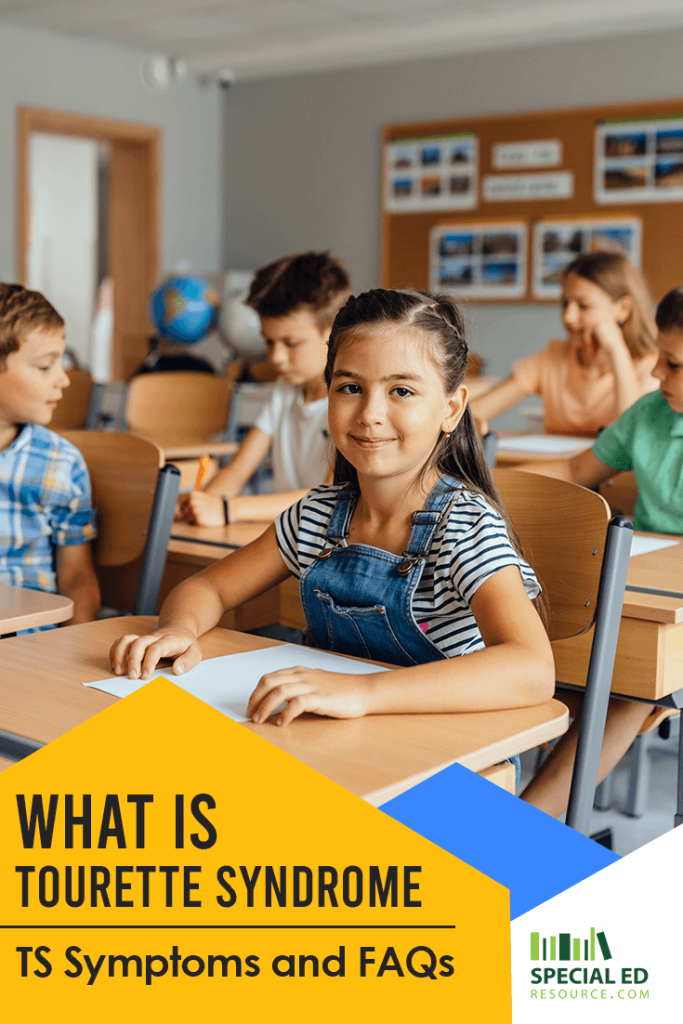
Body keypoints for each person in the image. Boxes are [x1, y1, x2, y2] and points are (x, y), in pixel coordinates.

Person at [110, 289, 554, 736]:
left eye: (401, 391)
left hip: (451, 752)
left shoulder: (464, 525)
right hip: (337, 738)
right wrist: (179, 629)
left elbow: (532, 668)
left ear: (451, 409)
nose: (370, 413)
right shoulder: (318, 515)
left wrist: (363, 693)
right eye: (350, 388)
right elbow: (208, 586)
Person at [518, 282, 683, 817]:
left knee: (627, 689)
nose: (656, 372)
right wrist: (478, 483)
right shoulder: (651, 413)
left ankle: (517, 834)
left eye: (673, 364)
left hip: (670, 622)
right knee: (546, 674)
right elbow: (575, 469)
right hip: (640, 594)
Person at [178, 251, 351, 526]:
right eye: (269, 342)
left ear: (334, 331)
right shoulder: (284, 390)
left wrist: (228, 509)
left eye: (291, 343)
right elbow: (237, 471)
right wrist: (199, 504)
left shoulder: (350, 401)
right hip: (288, 535)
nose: (276, 357)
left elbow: (329, 498)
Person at [471, 251, 658, 437]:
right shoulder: (552, 356)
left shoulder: (653, 368)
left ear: (623, 308)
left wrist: (617, 351)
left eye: (583, 306)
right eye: (565, 304)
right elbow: (476, 411)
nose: (568, 317)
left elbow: (633, 435)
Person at [0, 283, 100, 624]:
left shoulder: (61, 463)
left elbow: (77, 578)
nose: (63, 380)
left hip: (30, 639)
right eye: (45, 366)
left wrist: (76, 647)